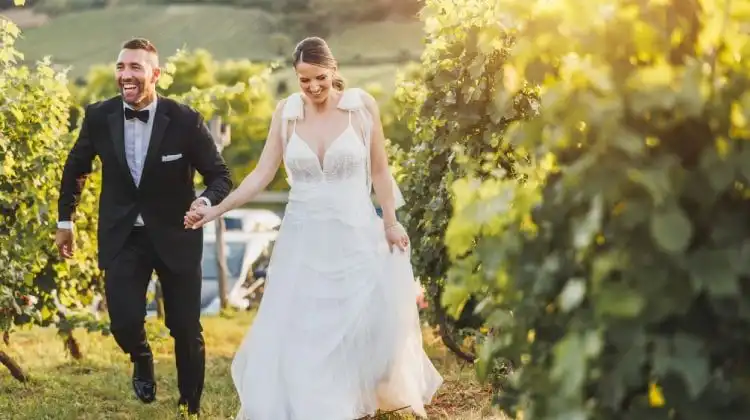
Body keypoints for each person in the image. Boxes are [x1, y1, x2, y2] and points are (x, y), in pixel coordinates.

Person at [184, 37, 442, 420]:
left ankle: (360, 387)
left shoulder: (360, 108)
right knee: (303, 324)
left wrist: (390, 222)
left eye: (319, 78)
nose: (313, 87)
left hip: (354, 231)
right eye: (304, 80)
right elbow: (261, 175)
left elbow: (380, 171)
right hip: (303, 237)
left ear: (333, 70)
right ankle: (315, 401)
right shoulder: (286, 114)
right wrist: (218, 208)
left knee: (363, 316)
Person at [55, 38, 232, 419]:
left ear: (156, 74)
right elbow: (76, 169)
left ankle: (190, 405)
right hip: (124, 236)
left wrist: (203, 202)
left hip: (177, 232)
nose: (126, 75)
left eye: (135, 67)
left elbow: (219, 175)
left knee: (185, 327)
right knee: (123, 321)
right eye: (121, 67)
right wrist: (65, 220)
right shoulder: (99, 116)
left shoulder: (185, 120)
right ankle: (141, 356)